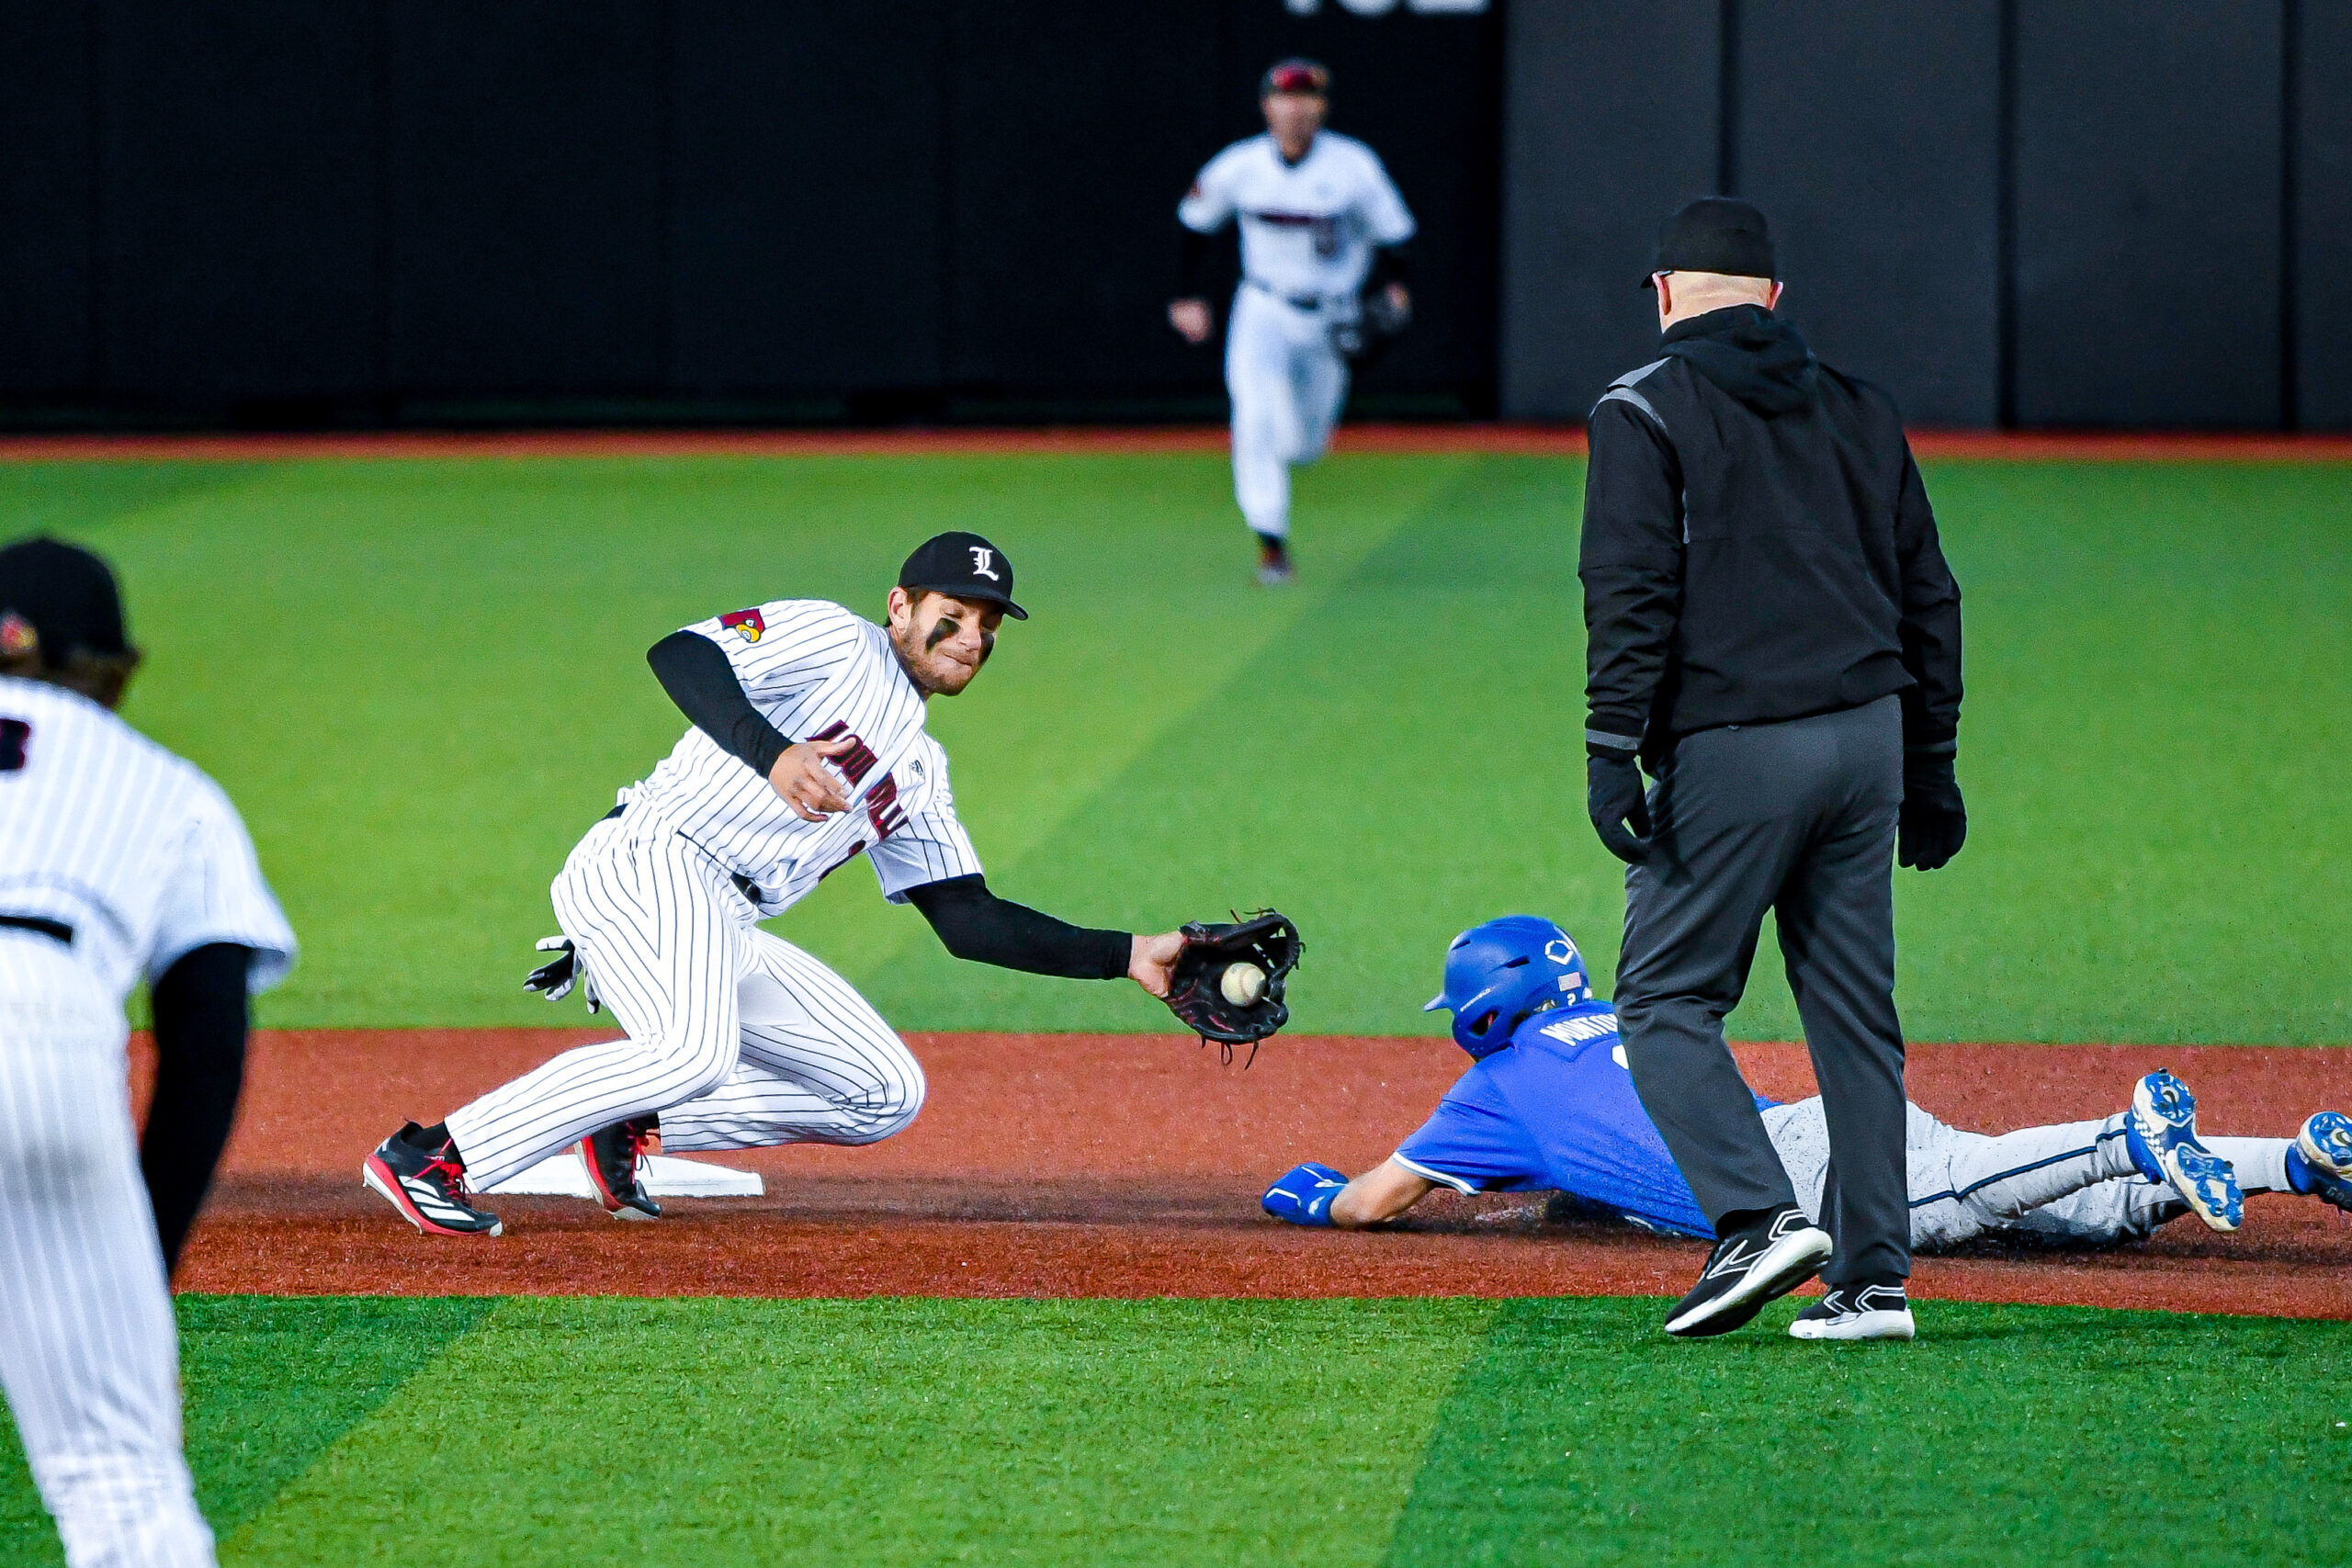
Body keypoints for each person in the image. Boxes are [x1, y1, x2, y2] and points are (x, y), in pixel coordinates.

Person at [364, 532, 1192, 1236]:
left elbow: (969, 919)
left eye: (987, 622)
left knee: (883, 1092)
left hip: (725, 918)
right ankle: (436, 1152)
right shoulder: (837, 639)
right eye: (955, 610)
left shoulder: (921, 770)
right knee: (691, 1048)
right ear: (900, 605)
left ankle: (632, 1121)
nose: (971, 634)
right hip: (652, 858)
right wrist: (774, 751)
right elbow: (682, 653)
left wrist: (1129, 955)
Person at [1261, 919, 2350, 1341]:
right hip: (1802, 1125)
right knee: (2069, 1220)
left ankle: (2130, 1135)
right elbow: (1613, 1133)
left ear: (1484, 1008)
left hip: (1789, 1179)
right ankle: (2293, 1160)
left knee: (1963, 1194)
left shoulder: (1495, 1085)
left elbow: (1371, 1204)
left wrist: (1318, 1197)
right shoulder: (1622, 1019)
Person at [1577, 197, 1968, 1339]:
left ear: (1661, 295)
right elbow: (1928, 595)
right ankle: (1874, 1281)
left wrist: (1610, 750)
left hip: (1739, 749)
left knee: (1661, 1000)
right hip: (1868, 741)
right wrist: (1931, 766)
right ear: (1774, 301)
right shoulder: (1859, 407)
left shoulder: (1641, 406)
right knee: (1853, 1013)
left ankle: (1755, 1220)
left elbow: (1629, 592)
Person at [0, 536, 298, 1566]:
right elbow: (206, 1046)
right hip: (44, 1028)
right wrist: (138, 1279)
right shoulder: (167, 788)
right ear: (111, 667)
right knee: (116, 1477)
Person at [1169, 57, 1416, 585]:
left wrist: (1394, 289)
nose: (1296, 107)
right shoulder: (1241, 166)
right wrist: (1187, 295)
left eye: (1307, 97)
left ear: (1322, 107)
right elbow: (1194, 224)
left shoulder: (1352, 166)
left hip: (1332, 315)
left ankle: (1282, 463)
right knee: (1253, 417)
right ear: (1267, 106)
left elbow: (1396, 236)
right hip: (1263, 308)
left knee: (1305, 445)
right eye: (1285, 97)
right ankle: (1271, 544)